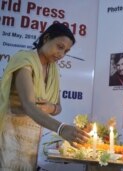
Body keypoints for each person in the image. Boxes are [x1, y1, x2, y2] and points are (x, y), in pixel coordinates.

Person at [0, 23, 90, 170]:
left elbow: (58, 107)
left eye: (66, 51)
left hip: (32, 136)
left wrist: (50, 107)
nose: (61, 54)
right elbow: (29, 106)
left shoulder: (53, 70)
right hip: (9, 132)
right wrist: (61, 128)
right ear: (46, 38)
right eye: (60, 47)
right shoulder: (24, 61)